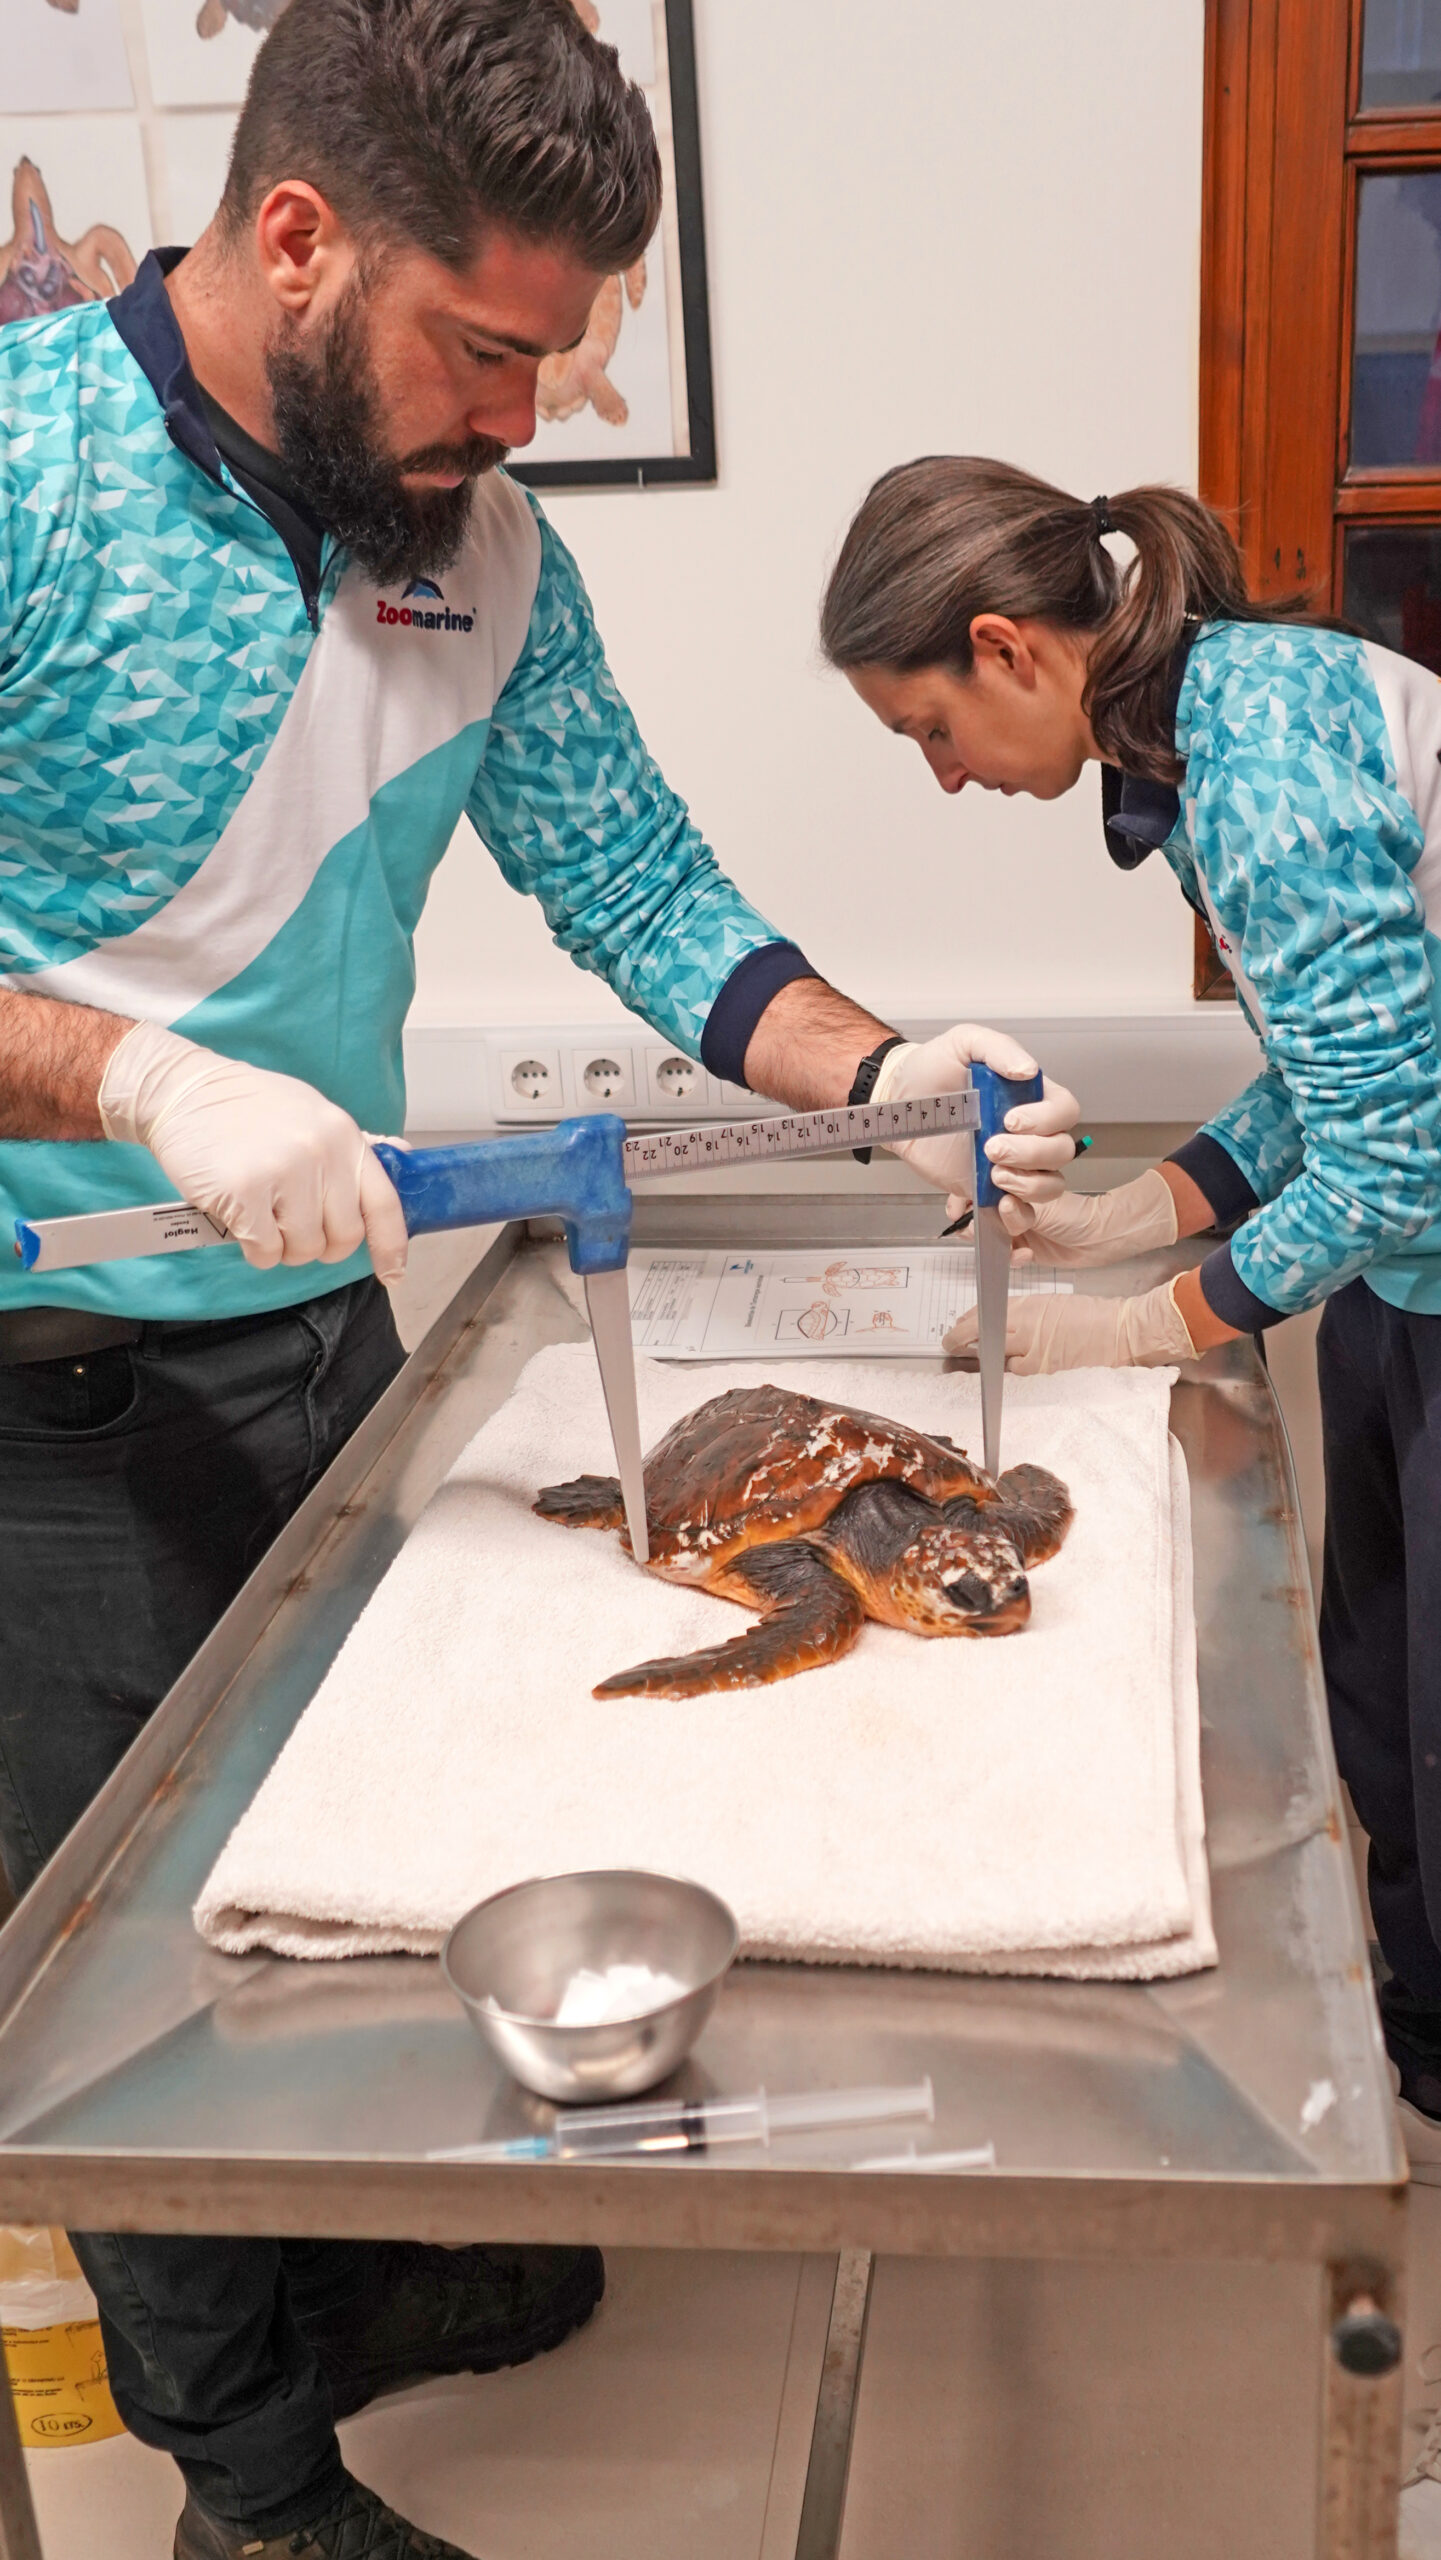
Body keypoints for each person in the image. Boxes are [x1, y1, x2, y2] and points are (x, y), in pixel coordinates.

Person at [0, 16, 1081, 2559]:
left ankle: (358, 2281)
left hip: (312, 1329)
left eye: (558, 347)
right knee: (124, 1974)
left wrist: (887, 1059)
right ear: (295, 240)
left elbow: (651, 890)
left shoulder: (481, 553)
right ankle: (250, 2491)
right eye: (486, 347)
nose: (529, 406)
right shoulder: (26, 473)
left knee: (339, 1859)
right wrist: (137, 1086)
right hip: (32, 1376)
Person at [821, 451, 1441, 2531]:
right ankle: (1415, 2136)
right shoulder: (1217, 721)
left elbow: (1405, 1155)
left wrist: (1152, 1320)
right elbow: (1337, 1067)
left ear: (1010, 649)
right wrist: (1139, 1212)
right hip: (1405, 1297)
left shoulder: (1255, 764)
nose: (940, 774)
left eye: (927, 729)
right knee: (1386, 1731)